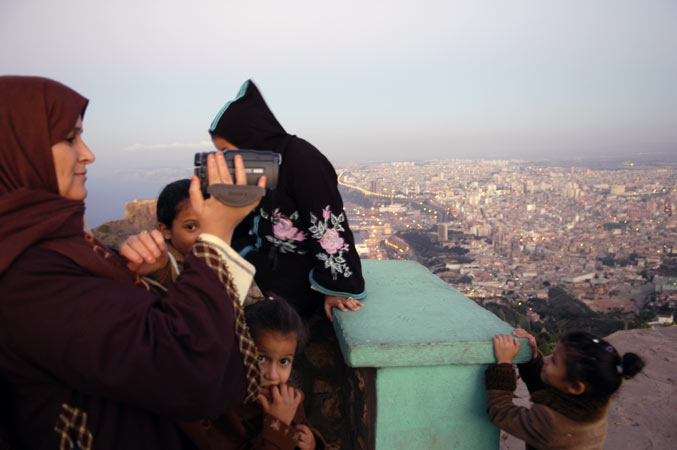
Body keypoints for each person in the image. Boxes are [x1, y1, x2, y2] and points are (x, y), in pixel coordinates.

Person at [0, 76, 266, 449]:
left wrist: (152, 276)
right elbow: (187, 372)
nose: (87, 153)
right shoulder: (24, 282)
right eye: (69, 138)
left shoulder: (52, 252)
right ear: (17, 151)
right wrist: (216, 237)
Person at [208, 79, 366, 321]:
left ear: (251, 139)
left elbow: (326, 226)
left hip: (297, 274)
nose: (225, 159)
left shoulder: (303, 161)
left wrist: (336, 288)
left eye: (228, 151)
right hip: (264, 260)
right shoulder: (263, 166)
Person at [179, 297, 325, 449]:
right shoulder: (216, 411)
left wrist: (312, 444)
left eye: (284, 361)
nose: (273, 375)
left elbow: (299, 429)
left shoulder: (287, 399)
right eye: (261, 358)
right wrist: (278, 427)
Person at [486, 328, 645, 449]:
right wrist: (532, 357)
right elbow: (543, 389)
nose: (546, 360)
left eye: (554, 360)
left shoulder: (553, 426)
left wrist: (504, 366)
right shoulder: (591, 400)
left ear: (575, 387)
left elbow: (500, 412)